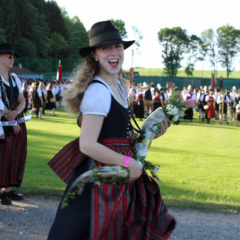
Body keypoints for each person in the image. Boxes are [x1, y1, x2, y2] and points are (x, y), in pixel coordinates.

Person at [47, 21, 175, 240]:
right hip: (103, 178)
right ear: (95, 54)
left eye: (117, 46)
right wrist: (128, 163)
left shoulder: (118, 87)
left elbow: (117, 136)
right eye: (105, 48)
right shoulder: (98, 91)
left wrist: (150, 133)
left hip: (119, 172)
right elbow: (87, 144)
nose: (114, 52)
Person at [0, 43, 27, 205]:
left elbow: (22, 100)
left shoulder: (14, 78)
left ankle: (7, 189)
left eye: (13, 57)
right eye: (9, 56)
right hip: (2, 122)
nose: (12, 59)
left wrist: (16, 114)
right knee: (2, 155)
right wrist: (10, 118)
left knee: (14, 155)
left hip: (15, 120)